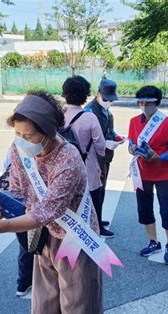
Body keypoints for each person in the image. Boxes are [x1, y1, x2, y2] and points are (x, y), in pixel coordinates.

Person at [0, 90, 103, 314]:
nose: (20, 141)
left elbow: (46, 211)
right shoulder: (19, 149)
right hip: (42, 235)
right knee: (45, 304)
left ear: (48, 133)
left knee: (78, 309)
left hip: (76, 238)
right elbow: (17, 190)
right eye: (17, 133)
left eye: (28, 136)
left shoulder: (68, 159)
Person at [128, 86, 168, 264]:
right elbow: (131, 143)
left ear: (157, 102)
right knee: (144, 209)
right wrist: (132, 149)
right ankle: (153, 241)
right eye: (141, 102)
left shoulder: (166, 122)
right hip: (142, 172)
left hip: (163, 172)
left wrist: (159, 157)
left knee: (167, 210)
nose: (144, 105)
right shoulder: (134, 121)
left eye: (148, 102)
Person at [62, 76, 112, 238]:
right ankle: (94, 231)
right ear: (85, 95)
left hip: (64, 170)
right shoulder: (90, 117)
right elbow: (100, 146)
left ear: (65, 94)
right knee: (93, 204)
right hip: (88, 170)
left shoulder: (57, 116)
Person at [0, 147, 33, 297]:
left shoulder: (15, 147)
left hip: (18, 206)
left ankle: (23, 283)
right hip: (27, 207)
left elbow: (6, 168)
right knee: (32, 246)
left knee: (26, 246)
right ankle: (26, 283)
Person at [85, 78, 121, 235]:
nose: (108, 102)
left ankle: (98, 218)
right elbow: (88, 137)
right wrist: (105, 143)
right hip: (95, 157)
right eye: (106, 99)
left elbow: (108, 131)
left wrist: (117, 137)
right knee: (95, 191)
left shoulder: (106, 112)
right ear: (98, 94)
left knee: (102, 189)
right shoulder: (90, 111)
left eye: (110, 99)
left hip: (105, 156)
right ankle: (96, 223)